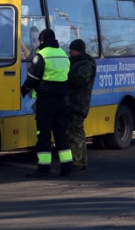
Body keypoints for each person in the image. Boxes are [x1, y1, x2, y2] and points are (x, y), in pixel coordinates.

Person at [21, 28, 73, 177]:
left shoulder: (41, 55)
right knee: (61, 133)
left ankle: (44, 168)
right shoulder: (63, 54)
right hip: (61, 100)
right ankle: (67, 167)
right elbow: (66, 76)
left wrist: (23, 89)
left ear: (42, 41)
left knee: (43, 135)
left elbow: (33, 78)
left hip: (45, 101)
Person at [66, 39, 96, 173]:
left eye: (71, 49)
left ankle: (77, 161)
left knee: (75, 134)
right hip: (74, 103)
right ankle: (82, 161)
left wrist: (65, 73)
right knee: (78, 132)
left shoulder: (86, 65)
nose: (69, 52)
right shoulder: (77, 62)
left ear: (77, 50)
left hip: (78, 104)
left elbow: (78, 80)